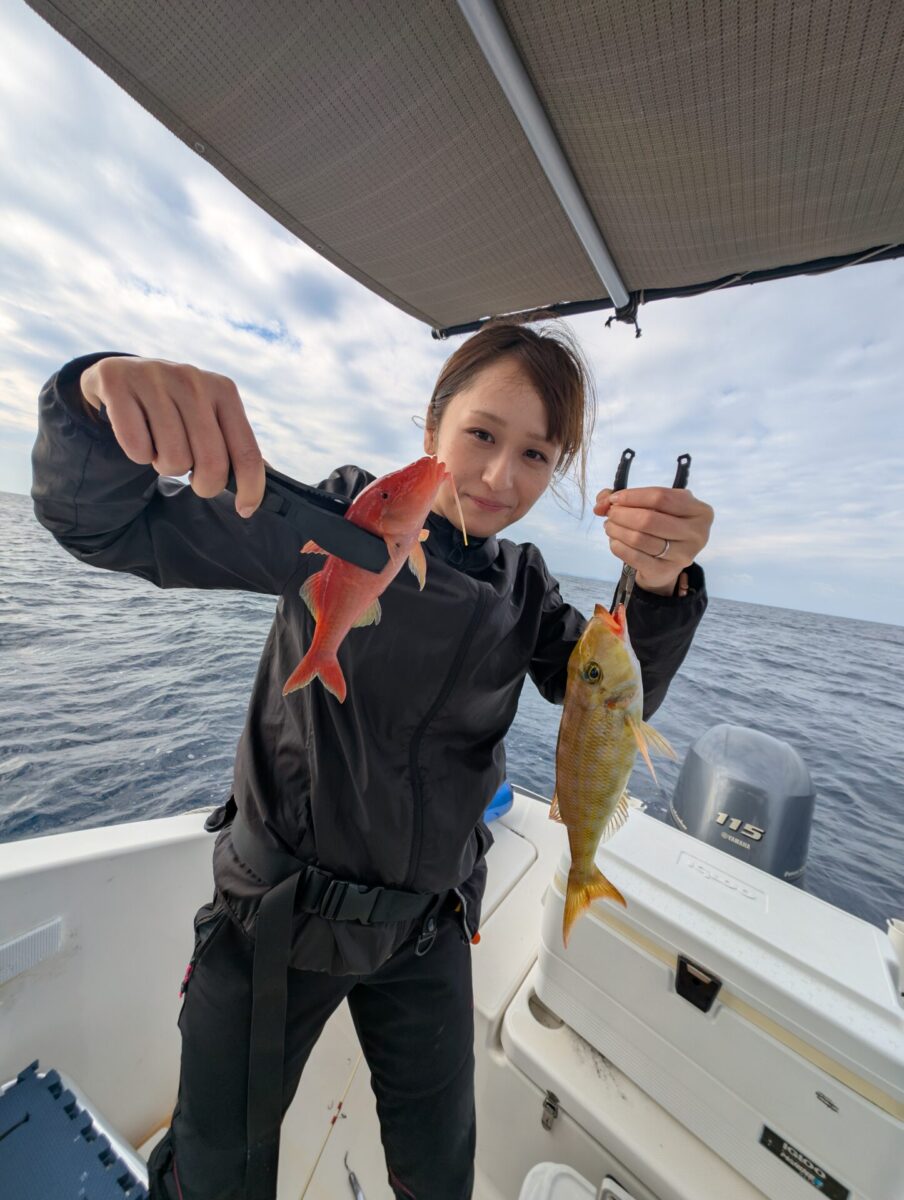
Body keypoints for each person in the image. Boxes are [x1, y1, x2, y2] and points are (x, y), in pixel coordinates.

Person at [31, 320, 713, 1200]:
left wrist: (659, 591)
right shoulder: (341, 519)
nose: (504, 477)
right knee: (214, 1175)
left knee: (439, 1178)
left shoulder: (526, 589)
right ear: (433, 427)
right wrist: (96, 407)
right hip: (275, 918)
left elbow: (614, 699)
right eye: (482, 435)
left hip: (425, 928)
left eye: (538, 456)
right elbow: (105, 525)